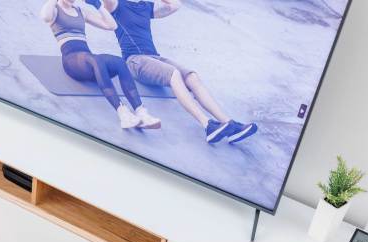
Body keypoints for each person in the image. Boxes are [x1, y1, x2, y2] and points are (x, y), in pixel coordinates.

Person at [97, 0, 258, 144]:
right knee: (174, 73)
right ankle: (207, 124)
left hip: (155, 57)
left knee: (192, 76)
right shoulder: (116, 5)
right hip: (135, 60)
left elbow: (175, 5)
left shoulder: (145, 6)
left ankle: (229, 124)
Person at [41, 0, 161, 129]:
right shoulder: (54, 9)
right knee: (95, 60)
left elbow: (112, 25)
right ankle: (123, 114)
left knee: (119, 62)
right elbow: (45, 17)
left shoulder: (81, 12)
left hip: (88, 61)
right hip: (71, 61)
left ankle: (141, 112)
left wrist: (98, 6)